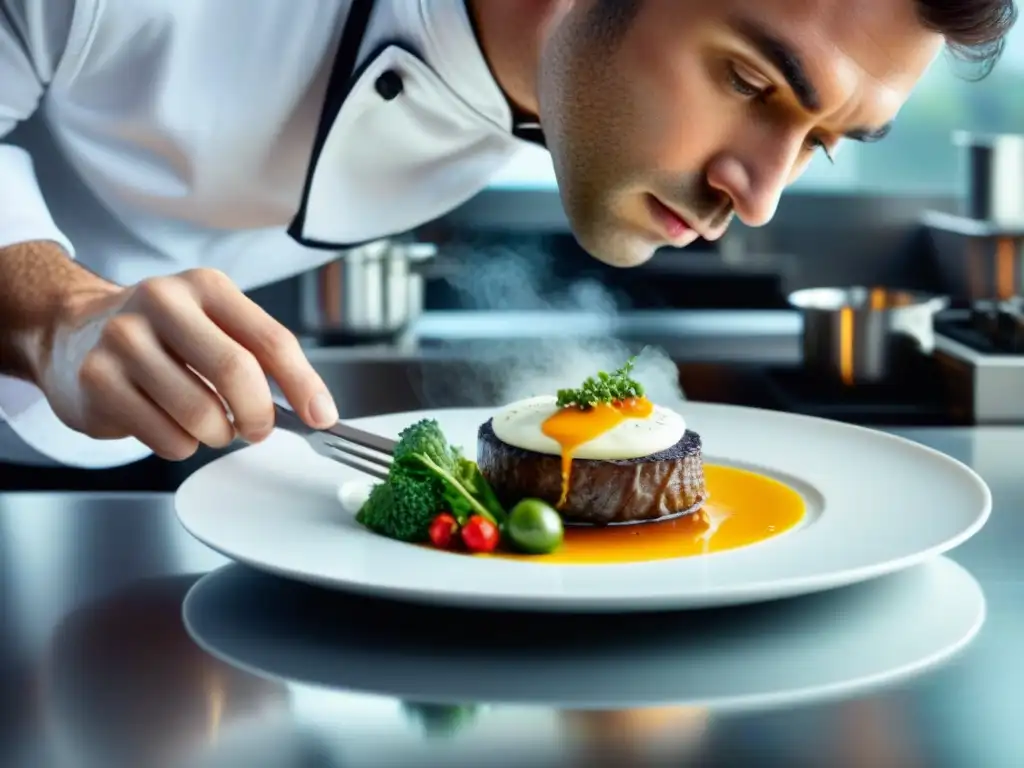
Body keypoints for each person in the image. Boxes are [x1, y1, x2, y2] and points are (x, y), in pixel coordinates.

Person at [0, 0, 1016, 468]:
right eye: (748, 81)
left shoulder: (552, 89)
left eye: (824, 144)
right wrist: (54, 309)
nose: (757, 197)